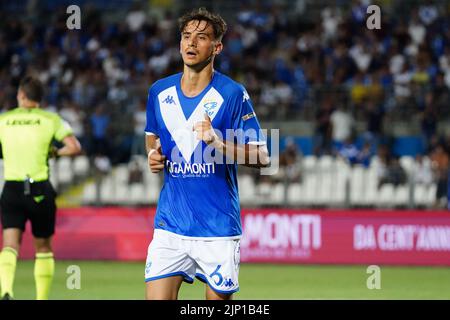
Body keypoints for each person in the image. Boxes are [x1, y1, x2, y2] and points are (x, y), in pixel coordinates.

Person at [144, 8, 270, 300]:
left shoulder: (232, 94)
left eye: (201, 38)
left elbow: (263, 157)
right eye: (186, 36)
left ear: (217, 47)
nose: (191, 43)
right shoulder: (159, 92)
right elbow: (153, 140)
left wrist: (219, 143)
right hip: (170, 225)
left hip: (217, 228)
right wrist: (153, 155)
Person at [0, 76, 81, 300]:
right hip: (39, 190)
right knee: (43, 247)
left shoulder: (4, 120)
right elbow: (74, 147)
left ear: (21, 96)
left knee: (9, 244)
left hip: (12, 189)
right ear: (39, 98)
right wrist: (55, 152)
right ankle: (41, 298)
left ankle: (6, 289)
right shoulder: (51, 119)